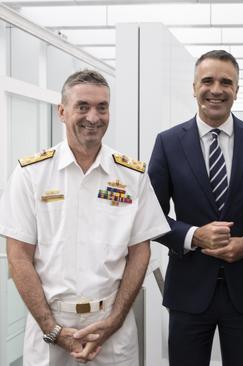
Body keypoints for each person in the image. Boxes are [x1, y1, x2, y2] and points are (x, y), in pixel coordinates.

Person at [0, 70, 170, 365]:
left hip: (112, 327)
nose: (93, 117)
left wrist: (115, 321)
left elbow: (140, 252)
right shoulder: (31, 174)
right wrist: (52, 329)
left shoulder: (131, 176)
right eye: (83, 106)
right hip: (49, 325)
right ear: (62, 112)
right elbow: (18, 256)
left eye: (102, 107)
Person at [147, 49, 243, 366]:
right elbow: (150, 213)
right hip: (188, 290)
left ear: (236, 89)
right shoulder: (168, 142)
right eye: (207, 81)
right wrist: (194, 235)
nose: (216, 89)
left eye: (226, 82)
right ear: (194, 87)